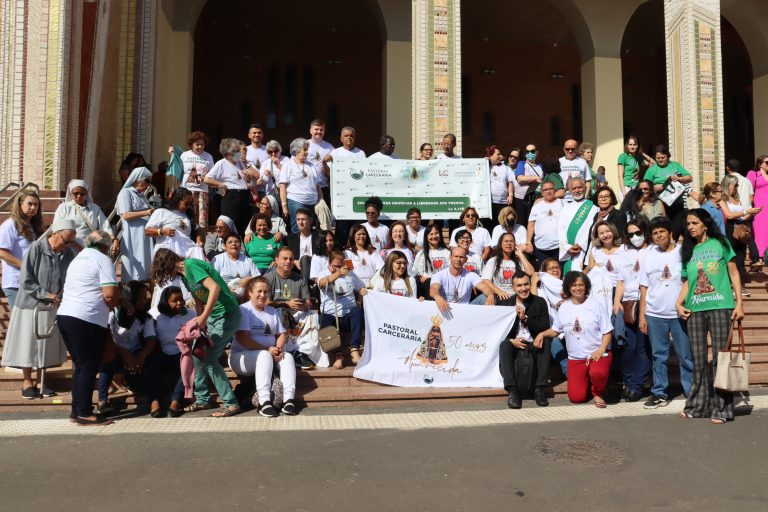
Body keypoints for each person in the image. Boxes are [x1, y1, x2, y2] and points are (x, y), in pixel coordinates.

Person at [151, 248, 242, 417]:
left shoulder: (191, 265)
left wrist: (203, 318)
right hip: (213, 317)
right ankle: (203, 399)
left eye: (163, 271)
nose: (167, 276)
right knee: (196, 354)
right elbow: (199, 299)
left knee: (210, 358)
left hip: (226, 314)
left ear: (167, 264)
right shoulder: (184, 276)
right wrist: (201, 322)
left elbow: (214, 288)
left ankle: (231, 403)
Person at [676, 209, 744, 424]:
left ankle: (722, 409)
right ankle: (698, 407)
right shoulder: (688, 250)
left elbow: (733, 273)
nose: (690, 227)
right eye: (688, 224)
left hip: (721, 306)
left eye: (694, 222)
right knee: (698, 360)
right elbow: (687, 282)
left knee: (720, 359)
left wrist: (739, 303)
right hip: (695, 310)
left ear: (705, 224)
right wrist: (679, 303)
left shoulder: (721, 243)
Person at [1, 219, 77, 399]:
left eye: (70, 242)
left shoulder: (68, 253)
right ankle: (27, 381)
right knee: (28, 343)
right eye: (65, 240)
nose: (66, 245)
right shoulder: (35, 248)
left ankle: (41, 380)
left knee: (46, 344)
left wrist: (62, 293)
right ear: (54, 233)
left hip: (52, 305)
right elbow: (26, 279)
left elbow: (70, 277)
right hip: (30, 303)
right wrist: (47, 294)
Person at [56, 231, 120, 425]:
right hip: (87, 318)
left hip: (66, 315)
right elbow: (109, 294)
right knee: (88, 366)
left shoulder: (78, 259)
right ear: (106, 246)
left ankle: (76, 410)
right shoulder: (102, 259)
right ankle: (84, 412)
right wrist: (117, 304)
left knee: (80, 365)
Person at [534, 272, 613, 407]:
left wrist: (601, 349)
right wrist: (542, 334)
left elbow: (608, 331)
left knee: (598, 372)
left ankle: (598, 392)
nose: (578, 288)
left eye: (581, 285)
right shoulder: (564, 307)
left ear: (586, 286)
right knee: (576, 398)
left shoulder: (595, 305)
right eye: (574, 285)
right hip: (576, 359)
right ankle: (588, 381)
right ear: (568, 288)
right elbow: (555, 330)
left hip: (597, 354)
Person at [638, 217, 694, 408]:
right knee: (658, 355)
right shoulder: (648, 254)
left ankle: (691, 391)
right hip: (655, 313)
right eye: (654, 233)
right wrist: (642, 315)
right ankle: (659, 392)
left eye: (662, 231)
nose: (658, 235)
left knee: (685, 355)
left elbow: (688, 280)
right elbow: (644, 287)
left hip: (679, 313)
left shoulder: (682, 251)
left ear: (670, 233)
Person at [232, 277, 297, 418]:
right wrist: (268, 350)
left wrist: (278, 350)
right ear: (250, 292)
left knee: (288, 357)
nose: (263, 295)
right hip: (242, 357)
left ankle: (288, 399)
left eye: (266, 292)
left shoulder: (272, 311)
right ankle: (264, 402)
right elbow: (242, 338)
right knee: (264, 355)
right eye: (259, 291)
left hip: (268, 355)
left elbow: (281, 334)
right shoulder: (244, 310)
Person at [96, 281, 156, 416]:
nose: (144, 300)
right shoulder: (113, 314)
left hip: (135, 356)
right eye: (140, 298)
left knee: (150, 360)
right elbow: (107, 337)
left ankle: (147, 393)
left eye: (145, 296)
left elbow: (151, 340)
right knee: (107, 363)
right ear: (130, 298)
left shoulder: (146, 318)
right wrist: (124, 353)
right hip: (115, 351)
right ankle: (102, 401)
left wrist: (141, 356)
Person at [498, 271, 552, 408]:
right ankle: (512, 391)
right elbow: (499, 330)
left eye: (526, 284)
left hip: (533, 342)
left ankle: (540, 389)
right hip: (515, 343)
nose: (523, 288)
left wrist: (525, 319)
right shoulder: (505, 304)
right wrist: (511, 340)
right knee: (504, 345)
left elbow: (545, 326)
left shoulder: (539, 302)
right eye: (519, 285)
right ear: (513, 288)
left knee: (545, 342)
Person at [264, 247, 322, 371]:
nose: (288, 262)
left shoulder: (300, 279)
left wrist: (305, 305)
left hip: (296, 314)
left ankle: (303, 352)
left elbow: (307, 302)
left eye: (291, 259)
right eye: (284, 258)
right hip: (275, 314)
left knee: (313, 314)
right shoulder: (269, 278)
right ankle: (287, 351)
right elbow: (266, 303)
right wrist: (286, 304)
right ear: (277, 260)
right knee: (281, 312)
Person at [613, 219, 652, 402]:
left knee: (642, 348)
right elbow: (620, 280)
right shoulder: (624, 253)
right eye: (630, 234)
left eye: (638, 232)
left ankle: (636, 386)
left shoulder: (652, 251)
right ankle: (628, 383)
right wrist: (616, 301)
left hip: (647, 303)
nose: (635, 237)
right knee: (627, 347)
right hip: (627, 304)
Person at [148, 286, 194, 418]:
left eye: (181, 299)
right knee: (153, 365)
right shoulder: (156, 315)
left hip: (183, 352)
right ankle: (154, 401)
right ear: (165, 301)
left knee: (184, 367)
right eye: (174, 301)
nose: (179, 303)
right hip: (163, 351)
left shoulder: (190, 314)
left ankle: (176, 401)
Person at [317, 250, 366, 369]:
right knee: (324, 318)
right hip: (331, 315)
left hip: (348, 315)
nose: (337, 268)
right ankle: (338, 356)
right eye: (334, 266)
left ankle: (354, 349)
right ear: (329, 264)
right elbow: (322, 284)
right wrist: (338, 273)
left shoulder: (350, 274)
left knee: (357, 311)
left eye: (340, 266)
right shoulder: (323, 273)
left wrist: (359, 300)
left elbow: (361, 288)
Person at [0, 190, 44, 307]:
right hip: (15, 283)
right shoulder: (10, 225)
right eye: (29, 204)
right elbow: (2, 252)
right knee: (18, 322)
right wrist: (24, 265)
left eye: (36, 204)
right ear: (20, 205)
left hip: (31, 282)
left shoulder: (33, 227)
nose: (33, 207)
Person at [204, 138, 256, 235]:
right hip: (231, 196)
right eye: (235, 152)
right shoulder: (221, 163)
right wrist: (221, 185)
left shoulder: (240, 163)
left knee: (244, 226)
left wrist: (248, 179)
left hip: (244, 196)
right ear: (227, 154)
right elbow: (207, 179)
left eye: (238, 150)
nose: (239, 153)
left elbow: (252, 176)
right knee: (231, 225)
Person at [718, 174, 759, 293]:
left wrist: (751, 213)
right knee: (730, 258)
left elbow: (742, 217)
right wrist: (746, 211)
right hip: (729, 229)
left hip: (739, 229)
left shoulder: (737, 199)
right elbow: (729, 215)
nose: (737, 187)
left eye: (737, 185)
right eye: (735, 185)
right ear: (727, 185)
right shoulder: (722, 199)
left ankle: (740, 286)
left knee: (740, 258)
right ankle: (727, 285)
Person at [326, 126, 366, 244]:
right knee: (341, 226)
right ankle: (340, 249)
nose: (349, 138)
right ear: (341, 138)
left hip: (356, 195)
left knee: (356, 225)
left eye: (351, 136)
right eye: (346, 136)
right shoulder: (335, 153)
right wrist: (324, 162)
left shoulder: (361, 153)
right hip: (341, 196)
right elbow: (328, 173)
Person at [53, 179, 117, 253]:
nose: (79, 196)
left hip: (91, 248)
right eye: (76, 193)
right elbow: (57, 228)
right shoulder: (64, 208)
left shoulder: (95, 208)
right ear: (71, 193)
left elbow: (105, 225)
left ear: (87, 194)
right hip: (70, 248)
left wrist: (113, 239)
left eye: (82, 194)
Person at [644, 145, 692, 239]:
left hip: (677, 203)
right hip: (660, 204)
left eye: (663, 157)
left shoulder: (675, 165)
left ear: (668, 156)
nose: (660, 160)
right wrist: (653, 188)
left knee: (677, 229)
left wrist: (679, 178)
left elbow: (689, 178)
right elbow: (644, 186)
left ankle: (673, 246)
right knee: (663, 228)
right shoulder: (652, 170)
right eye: (658, 158)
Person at [116, 168, 155, 281]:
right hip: (133, 236)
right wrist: (147, 212)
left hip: (144, 235)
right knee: (134, 267)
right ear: (139, 180)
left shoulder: (142, 195)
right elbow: (125, 215)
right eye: (147, 181)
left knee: (147, 265)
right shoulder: (125, 193)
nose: (148, 185)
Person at [429, 247, 495, 312]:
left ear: (466, 259)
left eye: (461, 257)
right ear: (450, 257)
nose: (458, 259)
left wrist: (490, 295)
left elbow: (484, 287)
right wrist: (437, 297)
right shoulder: (439, 275)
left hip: (465, 310)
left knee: (484, 298)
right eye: (456, 256)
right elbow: (433, 289)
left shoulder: (471, 275)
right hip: (446, 308)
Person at [532, 258, 567, 376]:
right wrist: (533, 282)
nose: (555, 270)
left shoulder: (568, 286)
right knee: (553, 340)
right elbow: (533, 304)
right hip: (552, 330)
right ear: (545, 272)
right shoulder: (540, 290)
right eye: (551, 268)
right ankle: (570, 373)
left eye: (557, 267)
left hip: (569, 327)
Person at [145, 188, 203, 259]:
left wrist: (198, 241)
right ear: (177, 200)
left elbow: (197, 230)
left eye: (190, 203)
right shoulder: (161, 212)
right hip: (165, 256)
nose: (188, 206)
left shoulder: (188, 214)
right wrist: (161, 231)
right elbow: (147, 231)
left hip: (184, 256)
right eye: (186, 203)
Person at [279, 138, 321, 234]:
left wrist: (321, 198)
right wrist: (284, 206)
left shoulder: (311, 165)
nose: (307, 152)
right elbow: (282, 186)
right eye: (305, 149)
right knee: (298, 228)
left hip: (312, 202)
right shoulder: (288, 165)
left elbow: (317, 184)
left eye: (307, 149)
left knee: (309, 228)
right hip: (296, 201)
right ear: (297, 150)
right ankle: (297, 248)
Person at [558, 177, 599, 272]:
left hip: (586, 252)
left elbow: (594, 230)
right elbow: (561, 231)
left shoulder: (594, 207)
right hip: (569, 253)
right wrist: (567, 247)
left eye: (579, 187)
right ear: (569, 190)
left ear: (585, 187)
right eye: (574, 188)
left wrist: (582, 245)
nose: (577, 191)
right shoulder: (565, 208)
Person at [480, 232, 534, 304]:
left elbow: (530, 273)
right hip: (498, 295)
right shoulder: (493, 260)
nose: (509, 243)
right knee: (481, 299)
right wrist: (499, 292)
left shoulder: (520, 260)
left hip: (517, 296)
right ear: (501, 244)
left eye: (511, 241)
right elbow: (486, 280)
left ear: (515, 244)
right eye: (506, 241)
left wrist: (520, 253)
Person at [177, 131, 215, 228]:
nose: (200, 147)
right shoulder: (184, 155)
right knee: (187, 216)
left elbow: (212, 174)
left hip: (202, 191)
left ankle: (201, 239)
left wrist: (204, 178)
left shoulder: (208, 156)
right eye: (197, 144)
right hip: (187, 190)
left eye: (202, 144)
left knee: (202, 218)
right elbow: (179, 173)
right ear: (191, 145)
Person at [212, 233, 261, 300]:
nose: (234, 244)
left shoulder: (248, 260)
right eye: (230, 242)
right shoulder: (217, 259)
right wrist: (225, 288)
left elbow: (258, 277)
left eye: (236, 242)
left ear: (240, 246)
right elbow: (213, 279)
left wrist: (249, 278)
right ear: (224, 246)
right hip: (224, 294)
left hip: (245, 296)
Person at [527, 180, 562, 266]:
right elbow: (531, 225)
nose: (548, 191)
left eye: (551, 189)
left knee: (558, 272)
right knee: (544, 274)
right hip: (541, 248)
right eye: (545, 190)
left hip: (559, 247)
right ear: (542, 193)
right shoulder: (536, 206)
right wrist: (528, 242)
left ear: (555, 190)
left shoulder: (563, 203)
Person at [413, 224, 450, 297]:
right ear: (426, 237)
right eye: (431, 234)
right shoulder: (421, 254)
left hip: (444, 285)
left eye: (436, 233)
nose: (434, 236)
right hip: (427, 287)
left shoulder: (447, 252)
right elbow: (417, 273)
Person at [586, 221, 625, 288]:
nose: (606, 235)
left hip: (619, 288)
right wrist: (596, 267)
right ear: (597, 236)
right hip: (600, 289)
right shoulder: (595, 251)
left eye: (608, 231)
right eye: (601, 233)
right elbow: (590, 267)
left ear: (613, 231)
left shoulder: (623, 249)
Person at [307, 119, 335, 207]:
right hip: (307, 187)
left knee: (323, 218)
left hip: (323, 187)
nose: (319, 131)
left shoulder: (330, 148)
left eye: (321, 129)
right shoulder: (304, 145)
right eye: (316, 129)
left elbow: (333, 171)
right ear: (311, 130)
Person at [514, 143, 544, 225]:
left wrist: (528, 179)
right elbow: (520, 178)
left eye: (532, 151)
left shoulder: (540, 166)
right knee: (522, 223)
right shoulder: (522, 164)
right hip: (521, 199)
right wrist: (535, 178)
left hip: (535, 199)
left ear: (536, 153)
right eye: (528, 152)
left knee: (534, 222)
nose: (530, 153)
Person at [286, 207, 318, 282]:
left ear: (310, 220)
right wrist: (294, 261)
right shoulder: (291, 238)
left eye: (303, 219)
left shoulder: (318, 236)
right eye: (298, 219)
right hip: (297, 269)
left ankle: (304, 286)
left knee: (304, 258)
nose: (300, 222)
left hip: (315, 267)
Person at [486, 145, 514, 232]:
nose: (499, 156)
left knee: (502, 225)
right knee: (489, 226)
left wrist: (510, 195)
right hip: (489, 202)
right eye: (497, 154)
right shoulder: (485, 166)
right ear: (491, 155)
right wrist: (485, 162)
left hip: (502, 202)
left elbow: (510, 182)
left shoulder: (505, 168)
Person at [747, 155, 768, 265]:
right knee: (759, 230)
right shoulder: (753, 173)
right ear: (760, 164)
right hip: (759, 206)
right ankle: (759, 255)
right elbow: (747, 190)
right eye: (767, 162)